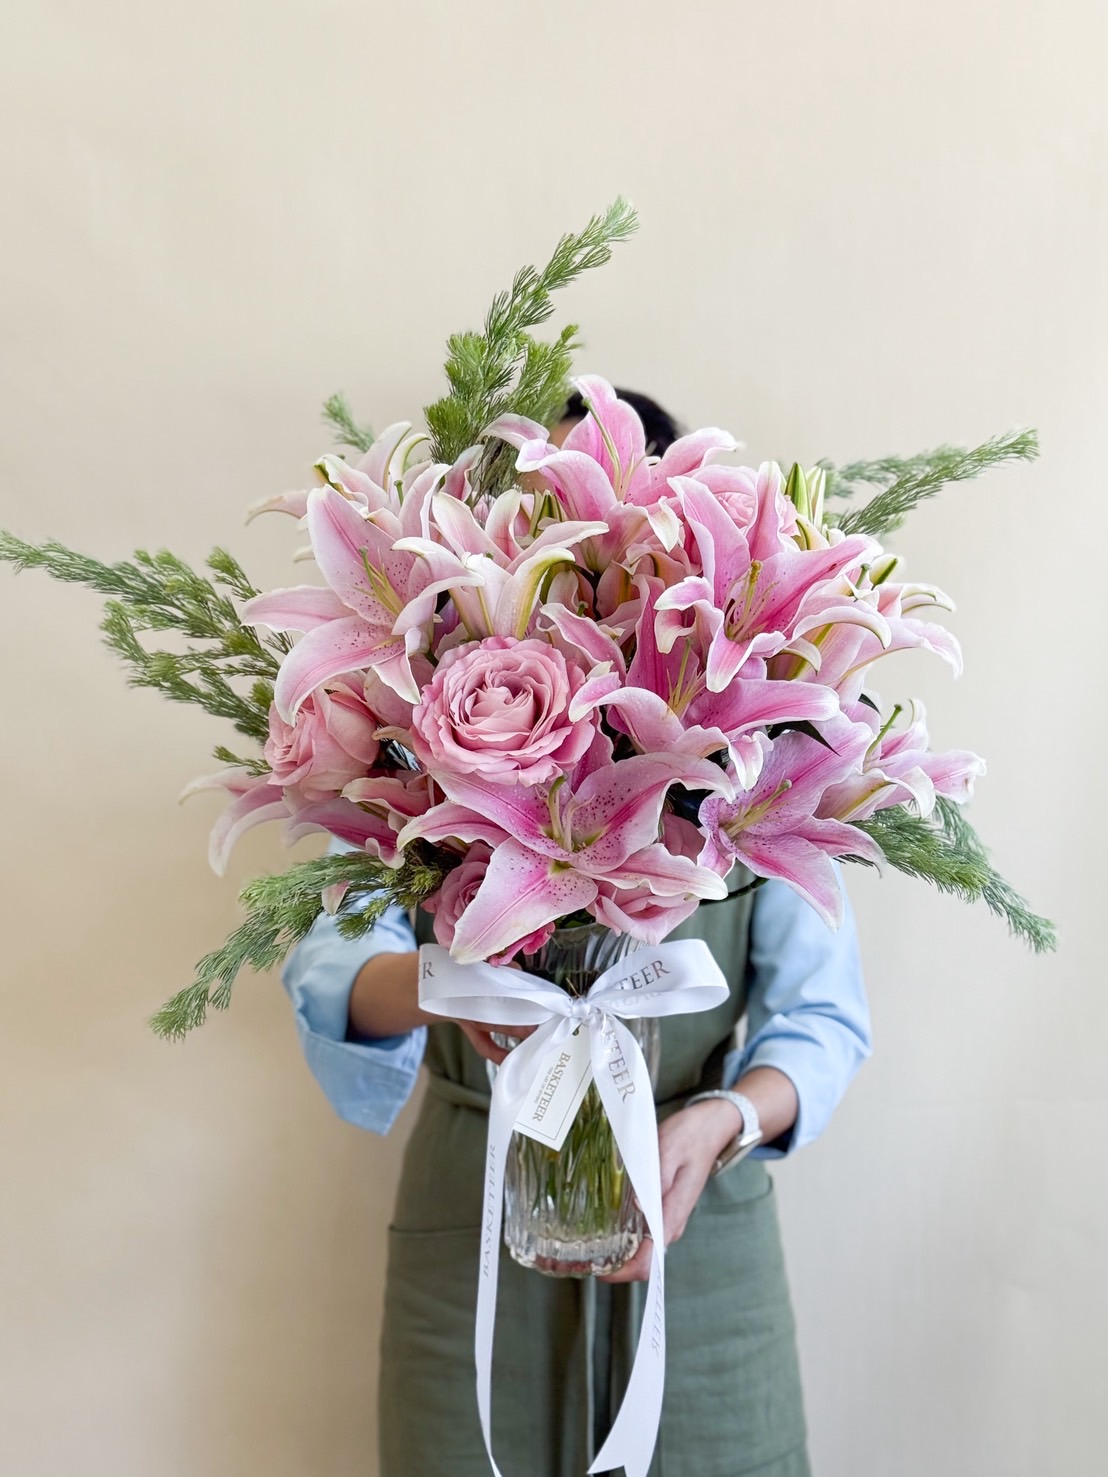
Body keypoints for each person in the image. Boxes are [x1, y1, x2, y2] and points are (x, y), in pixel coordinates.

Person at [281, 390, 872, 1477]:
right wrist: (456, 980)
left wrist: (720, 1125)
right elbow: (329, 971)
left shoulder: (770, 734)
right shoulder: (419, 727)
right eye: (552, 512)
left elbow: (821, 1020)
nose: (597, 551)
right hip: (475, 1207)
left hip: (695, 1210)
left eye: (639, 525)